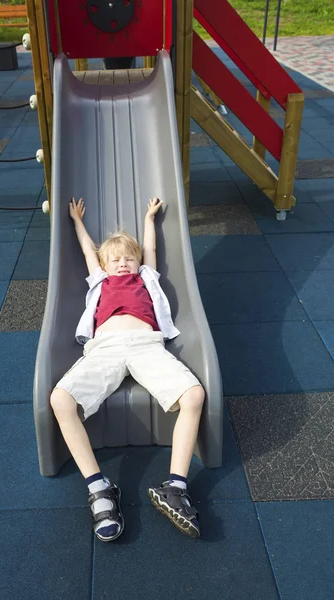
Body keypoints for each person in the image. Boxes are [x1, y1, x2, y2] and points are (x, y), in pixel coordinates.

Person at [50, 196, 205, 542]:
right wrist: (77, 220)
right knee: (60, 400)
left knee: (194, 396)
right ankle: (99, 488)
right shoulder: (99, 280)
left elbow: (149, 249)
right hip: (104, 350)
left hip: (146, 346)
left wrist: (149, 219)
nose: (122, 264)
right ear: (105, 266)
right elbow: (90, 252)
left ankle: (176, 488)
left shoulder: (146, 276)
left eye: (128, 259)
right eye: (116, 260)